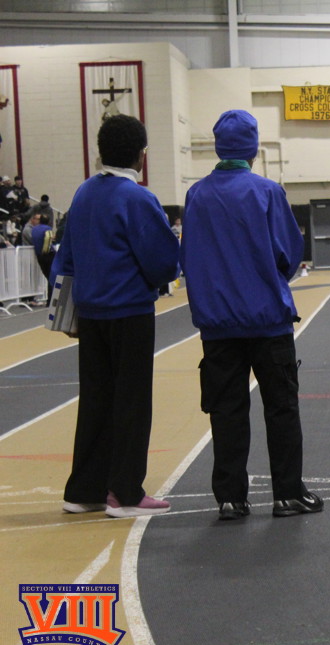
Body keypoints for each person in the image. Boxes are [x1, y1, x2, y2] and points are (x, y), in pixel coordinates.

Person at [181, 109, 325, 519]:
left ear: (217, 146)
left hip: (217, 324)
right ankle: (287, 493)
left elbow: (188, 256)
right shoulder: (267, 192)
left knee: (226, 410)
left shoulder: (196, 196)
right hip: (267, 318)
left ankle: (231, 497)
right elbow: (289, 253)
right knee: (281, 407)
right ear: (254, 148)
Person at [53, 114, 179, 518]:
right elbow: (162, 262)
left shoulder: (83, 193)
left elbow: (66, 258)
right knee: (131, 402)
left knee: (95, 400)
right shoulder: (138, 198)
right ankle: (124, 493)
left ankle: (83, 490)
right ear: (142, 155)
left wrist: (66, 311)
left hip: (90, 314)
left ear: (100, 151)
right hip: (130, 312)